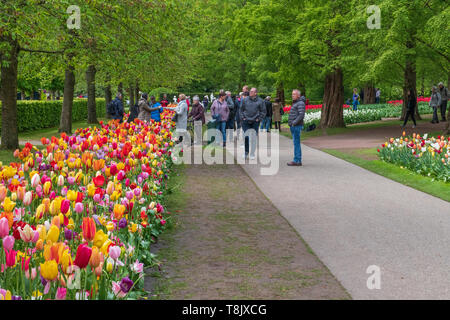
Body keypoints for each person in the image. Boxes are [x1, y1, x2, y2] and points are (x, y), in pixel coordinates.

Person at [240, 88, 266, 160]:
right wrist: (243, 117)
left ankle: (252, 153)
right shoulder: (245, 100)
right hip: (246, 121)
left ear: (255, 93)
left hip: (255, 121)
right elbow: (241, 110)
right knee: (246, 136)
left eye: (252, 91)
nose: (250, 92)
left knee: (254, 138)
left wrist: (259, 119)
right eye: (250, 91)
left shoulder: (260, 101)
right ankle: (246, 152)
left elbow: (263, 111)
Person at [287, 90, 306, 167]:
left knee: (296, 143)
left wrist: (294, 123)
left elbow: (301, 115)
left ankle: (297, 161)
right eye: (292, 94)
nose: (292, 95)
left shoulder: (300, 103)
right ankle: (297, 160)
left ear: (298, 95)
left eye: (294, 94)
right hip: (294, 126)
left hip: (296, 126)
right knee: (296, 143)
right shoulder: (296, 102)